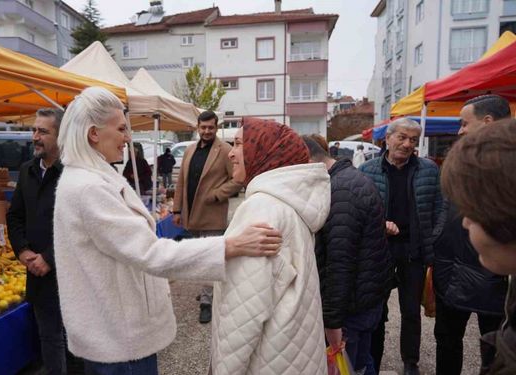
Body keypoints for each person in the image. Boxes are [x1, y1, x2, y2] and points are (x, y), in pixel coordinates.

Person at [53, 87, 283, 375]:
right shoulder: (88, 187)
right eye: (122, 128)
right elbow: (150, 253)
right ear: (93, 134)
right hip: (119, 341)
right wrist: (231, 246)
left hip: (115, 331)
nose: (128, 138)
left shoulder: (91, 176)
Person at [209, 118, 329, 374]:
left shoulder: (262, 209)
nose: (230, 152)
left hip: (268, 360)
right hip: (290, 354)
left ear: (265, 151)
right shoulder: (288, 204)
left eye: (240, 143)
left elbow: (243, 315)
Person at [433, 94, 510, 375]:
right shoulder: (464, 161)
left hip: (494, 283)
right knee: (447, 341)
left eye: (465, 123)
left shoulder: (507, 169)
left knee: (496, 350)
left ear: (487, 122)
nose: (460, 131)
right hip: (451, 274)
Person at [359, 118, 443, 375]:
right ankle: (373, 357)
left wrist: (433, 238)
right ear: (387, 138)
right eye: (402, 138)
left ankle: (410, 362)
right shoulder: (367, 170)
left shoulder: (429, 170)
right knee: (375, 311)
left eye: (413, 140)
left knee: (410, 312)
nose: (407, 144)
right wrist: (378, 224)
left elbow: (441, 209)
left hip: (413, 252)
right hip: (379, 252)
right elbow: (360, 210)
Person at [304, 135, 392, 375]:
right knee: (362, 365)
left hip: (351, 311)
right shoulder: (349, 179)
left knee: (350, 367)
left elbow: (339, 266)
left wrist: (333, 323)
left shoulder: (339, 191)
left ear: (309, 162)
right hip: (364, 301)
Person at [7, 108, 81, 375]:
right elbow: (14, 215)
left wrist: (48, 258)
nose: (35, 137)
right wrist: (23, 251)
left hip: (72, 271)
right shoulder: (27, 170)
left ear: (61, 136)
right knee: (49, 337)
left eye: (43, 131)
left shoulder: (75, 173)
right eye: (34, 130)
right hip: (38, 273)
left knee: (78, 338)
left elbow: (79, 225)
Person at [172, 110, 242, 323]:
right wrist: (177, 210)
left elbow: (239, 179)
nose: (207, 131)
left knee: (210, 258)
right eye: (203, 127)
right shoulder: (190, 149)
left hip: (212, 213)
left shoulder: (226, 150)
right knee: (200, 257)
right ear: (197, 127)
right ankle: (208, 291)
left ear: (217, 126)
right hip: (192, 214)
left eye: (211, 127)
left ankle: (206, 302)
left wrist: (218, 194)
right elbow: (181, 181)